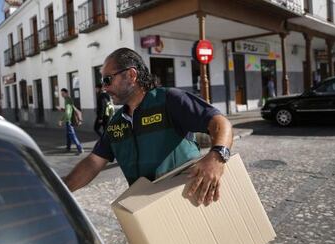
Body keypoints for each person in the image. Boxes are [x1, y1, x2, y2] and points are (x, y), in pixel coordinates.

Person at [63, 48, 233, 207]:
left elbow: (220, 122)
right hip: (147, 212)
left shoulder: (169, 100)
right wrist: (60, 188)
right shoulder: (116, 123)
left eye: (108, 80)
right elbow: (93, 162)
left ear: (131, 75)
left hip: (188, 204)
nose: (105, 88)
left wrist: (217, 157)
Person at [58, 88, 84, 155]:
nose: (62, 95)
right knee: (68, 135)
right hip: (69, 120)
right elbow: (69, 110)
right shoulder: (69, 99)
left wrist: (61, 120)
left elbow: (68, 112)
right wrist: (62, 109)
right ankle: (68, 148)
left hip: (68, 121)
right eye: (61, 94)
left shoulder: (67, 100)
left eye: (63, 93)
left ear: (66, 93)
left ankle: (80, 149)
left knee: (72, 135)